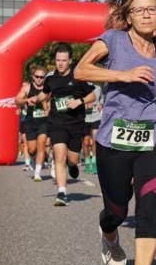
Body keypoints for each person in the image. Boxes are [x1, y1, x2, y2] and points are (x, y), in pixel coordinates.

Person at [74, 0, 156, 265]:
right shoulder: (112, 40)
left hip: (155, 137)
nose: (147, 15)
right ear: (128, 15)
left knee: (149, 209)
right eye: (140, 10)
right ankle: (109, 234)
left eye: (152, 9)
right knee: (117, 211)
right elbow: (82, 70)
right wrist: (122, 74)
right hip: (114, 138)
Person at [37, 44, 96, 206]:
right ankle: (61, 192)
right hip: (57, 123)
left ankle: (73, 165)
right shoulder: (50, 78)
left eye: (64, 60)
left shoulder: (78, 77)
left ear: (70, 61)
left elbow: (92, 96)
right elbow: (45, 93)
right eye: (58, 60)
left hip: (76, 124)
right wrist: (35, 99)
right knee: (59, 156)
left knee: (72, 159)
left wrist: (79, 101)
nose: (60, 64)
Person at [15, 65, 50, 180]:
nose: (39, 79)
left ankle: (37, 173)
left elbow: (51, 102)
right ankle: (35, 161)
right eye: (37, 76)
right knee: (32, 149)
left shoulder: (48, 89)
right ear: (33, 77)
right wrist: (27, 100)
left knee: (41, 146)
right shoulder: (27, 88)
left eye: (42, 77)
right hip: (30, 122)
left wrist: (48, 109)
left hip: (43, 122)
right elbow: (17, 100)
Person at [83, 83, 104, 174]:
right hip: (84, 118)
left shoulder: (98, 88)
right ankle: (87, 162)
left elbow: (102, 99)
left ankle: (94, 162)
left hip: (96, 117)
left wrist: (101, 104)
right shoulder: (81, 87)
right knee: (86, 142)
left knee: (95, 140)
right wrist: (84, 105)